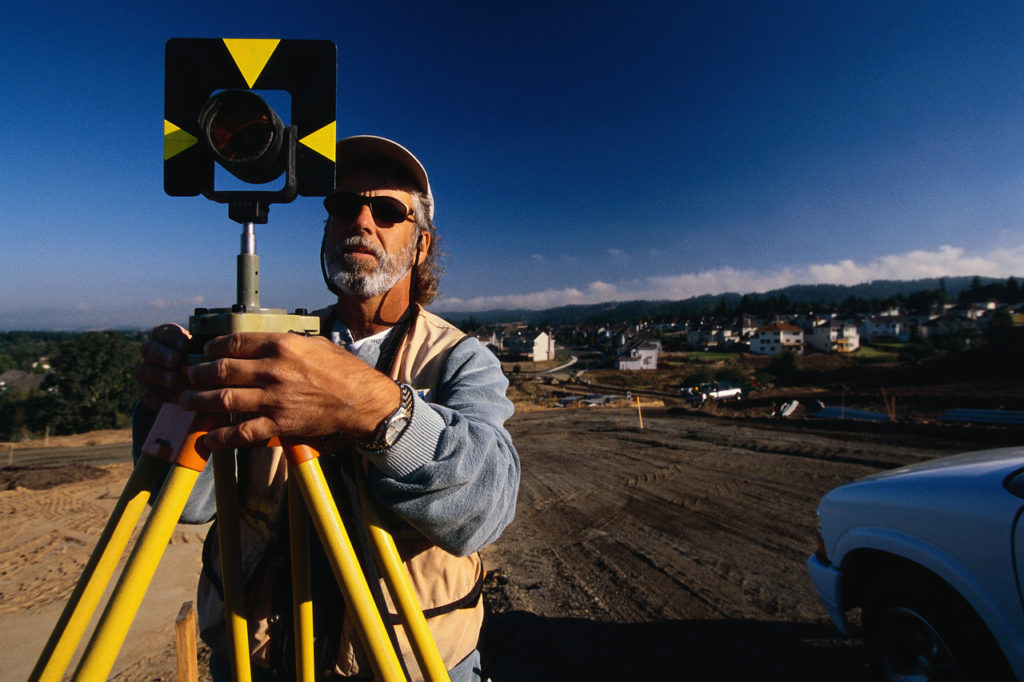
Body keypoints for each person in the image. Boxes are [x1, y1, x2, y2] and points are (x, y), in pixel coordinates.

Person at [134, 135, 520, 681]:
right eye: (343, 206)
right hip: (255, 659)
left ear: (422, 245)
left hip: (408, 667)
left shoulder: (460, 358)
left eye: (387, 212)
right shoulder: (273, 348)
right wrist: (174, 403)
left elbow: (485, 508)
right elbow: (192, 506)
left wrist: (373, 409)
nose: (361, 221)